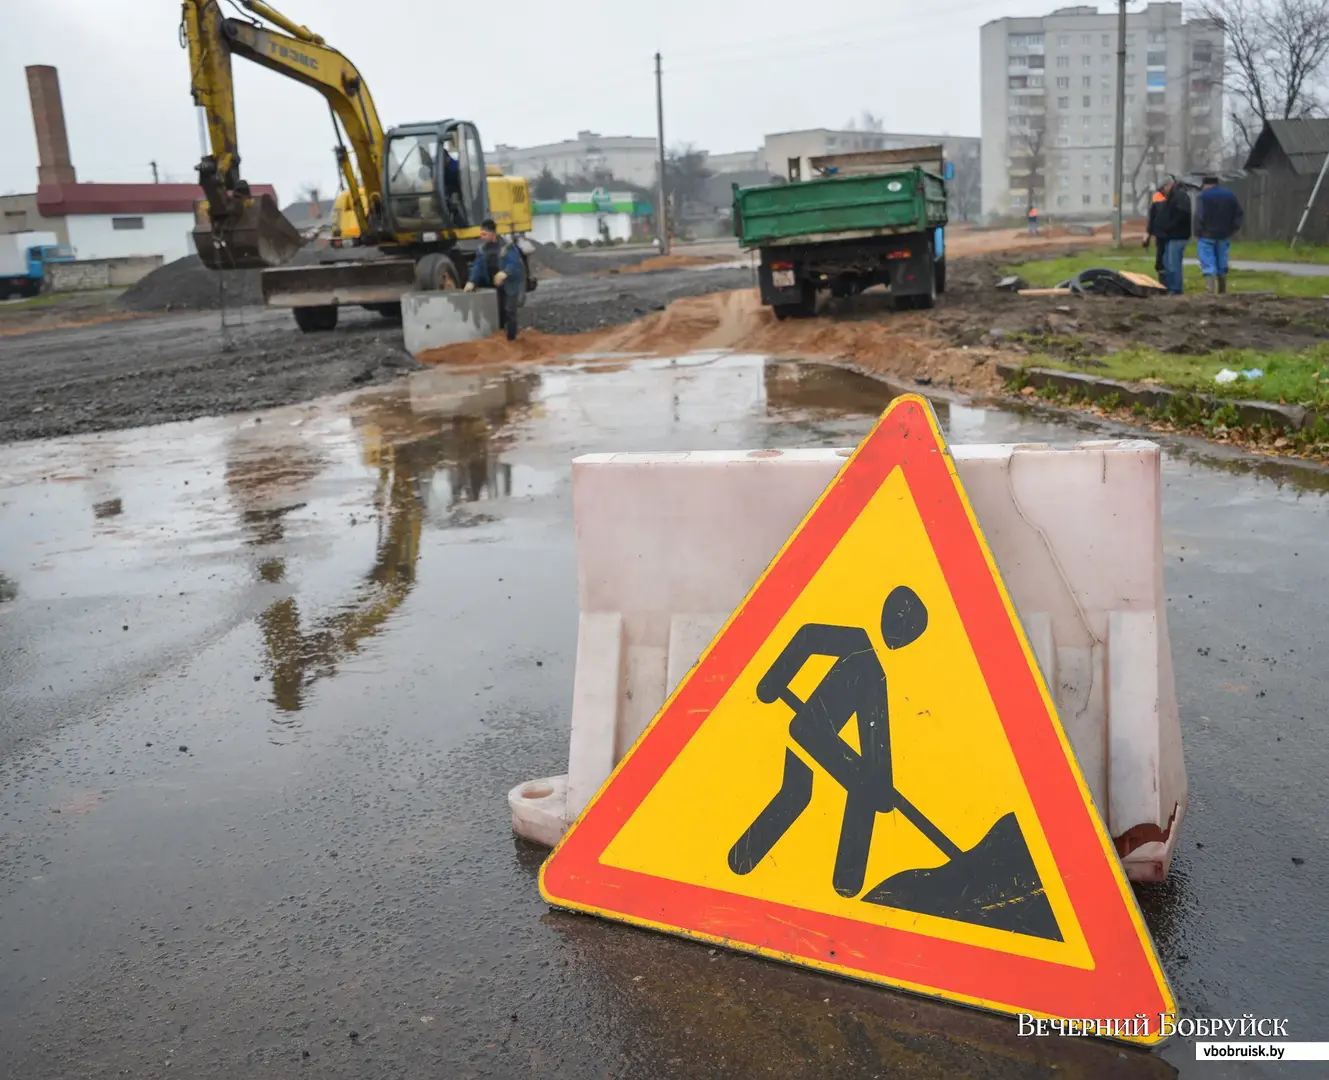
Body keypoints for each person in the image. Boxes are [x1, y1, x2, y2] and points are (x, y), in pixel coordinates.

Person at [464, 218, 525, 341]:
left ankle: (512, 338)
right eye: (481, 234)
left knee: (509, 310)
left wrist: (505, 272)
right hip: (493, 285)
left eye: (484, 234)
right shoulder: (482, 249)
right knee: (497, 311)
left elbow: (514, 263)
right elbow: (478, 266)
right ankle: (500, 336)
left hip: (510, 283)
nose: (482, 237)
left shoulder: (507, 247)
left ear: (492, 234)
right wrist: (472, 281)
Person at [1195, 175, 1244, 294]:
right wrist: (1232, 229)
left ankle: (1210, 290)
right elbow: (1238, 214)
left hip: (1207, 235)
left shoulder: (1203, 196)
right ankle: (1222, 290)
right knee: (1222, 261)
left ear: (1206, 184)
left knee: (1208, 262)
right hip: (1224, 234)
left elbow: (1199, 216)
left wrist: (1198, 232)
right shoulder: (1230, 195)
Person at [1154, 176, 1193, 295]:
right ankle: (1171, 288)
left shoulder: (1180, 196)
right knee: (1168, 263)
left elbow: (1182, 214)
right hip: (1171, 235)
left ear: (1169, 185)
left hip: (1178, 235)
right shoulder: (1173, 196)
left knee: (1173, 264)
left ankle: (1176, 289)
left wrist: (1169, 225)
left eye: (1164, 187)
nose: (1163, 190)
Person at [1143, 186, 1167, 280]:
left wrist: (1147, 237)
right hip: (1166, 233)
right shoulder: (1168, 198)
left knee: (1161, 257)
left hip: (1160, 233)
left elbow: (1151, 219)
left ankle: (1162, 279)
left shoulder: (1156, 198)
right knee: (1165, 257)